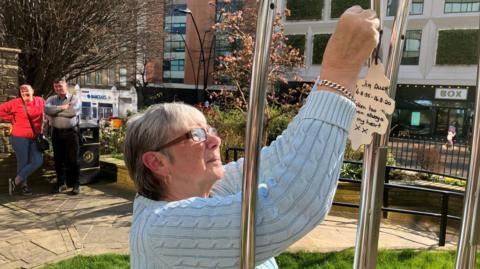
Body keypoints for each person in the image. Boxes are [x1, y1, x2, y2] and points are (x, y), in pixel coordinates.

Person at [125, 6, 379, 269]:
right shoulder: (161, 230)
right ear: (157, 163)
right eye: (196, 135)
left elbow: (283, 154)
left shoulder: (210, 193)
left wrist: (331, 75)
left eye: (210, 130)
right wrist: (340, 70)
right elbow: (290, 204)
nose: (215, 140)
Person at [0, 84, 45, 195]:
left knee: (38, 160)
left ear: (33, 91)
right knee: (23, 162)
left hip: (35, 137)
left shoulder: (40, 101)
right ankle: (23, 186)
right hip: (19, 137)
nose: (24, 93)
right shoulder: (16, 103)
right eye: (22, 91)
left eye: (27, 91)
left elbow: (48, 111)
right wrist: (11, 118)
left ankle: (15, 182)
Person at [44, 78, 82, 195]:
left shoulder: (74, 98)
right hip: (56, 133)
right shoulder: (51, 99)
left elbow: (72, 113)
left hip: (71, 133)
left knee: (73, 159)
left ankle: (76, 184)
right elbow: (46, 110)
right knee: (58, 160)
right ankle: (61, 184)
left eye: (60, 86)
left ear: (65, 86)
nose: (58, 88)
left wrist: (55, 112)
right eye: (56, 87)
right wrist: (62, 108)